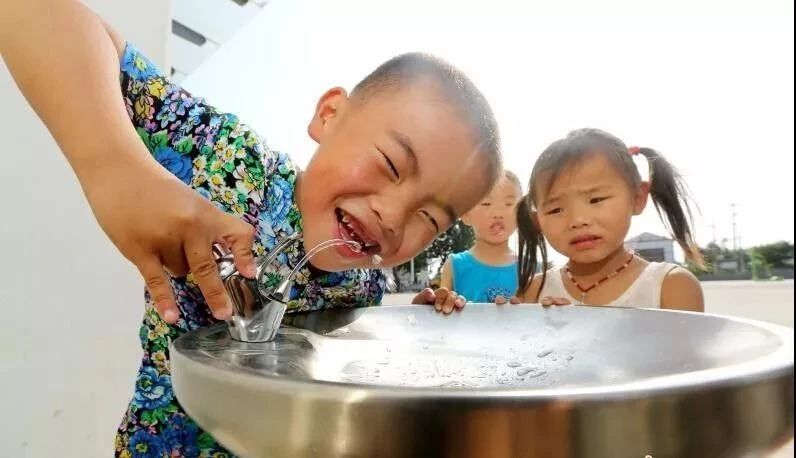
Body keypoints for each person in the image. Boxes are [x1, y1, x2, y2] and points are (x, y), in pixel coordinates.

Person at [0, 1, 502, 455]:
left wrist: (415, 323)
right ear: (329, 115)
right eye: (391, 164)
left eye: (429, 218)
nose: (392, 217)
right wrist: (116, 167)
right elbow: (34, 13)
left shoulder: (364, 282)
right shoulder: (228, 161)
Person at [512, 128, 704, 311]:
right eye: (556, 209)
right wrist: (510, 320)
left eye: (596, 200)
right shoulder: (532, 293)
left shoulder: (671, 286)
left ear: (637, 198)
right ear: (537, 221)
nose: (578, 220)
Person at [439, 171, 522, 303]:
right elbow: (441, 308)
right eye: (486, 204)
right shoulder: (455, 265)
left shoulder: (528, 267)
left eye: (508, 204)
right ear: (466, 214)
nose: (498, 213)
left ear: (522, 213)